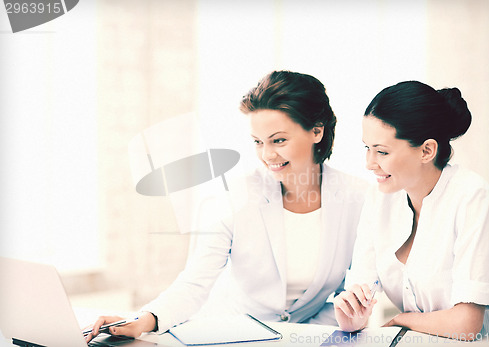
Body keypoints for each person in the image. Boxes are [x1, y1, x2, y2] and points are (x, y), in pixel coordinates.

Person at [85, 70, 368, 342]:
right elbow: (194, 283)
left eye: (279, 140)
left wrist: (312, 334)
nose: (267, 155)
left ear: (317, 132)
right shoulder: (234, 197)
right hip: (235, 337)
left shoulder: (358, 198)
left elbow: (354, 291)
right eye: (258, 142)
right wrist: (143, 319)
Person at [333, 81, 489, 340]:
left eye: (382, 151)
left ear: (426, 150)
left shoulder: (471, 195)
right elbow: (358, 295)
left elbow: (467, 323)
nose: (369, 163)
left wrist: (402, 320)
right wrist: (351, 317)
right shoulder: (380, 196)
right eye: (367, 148)